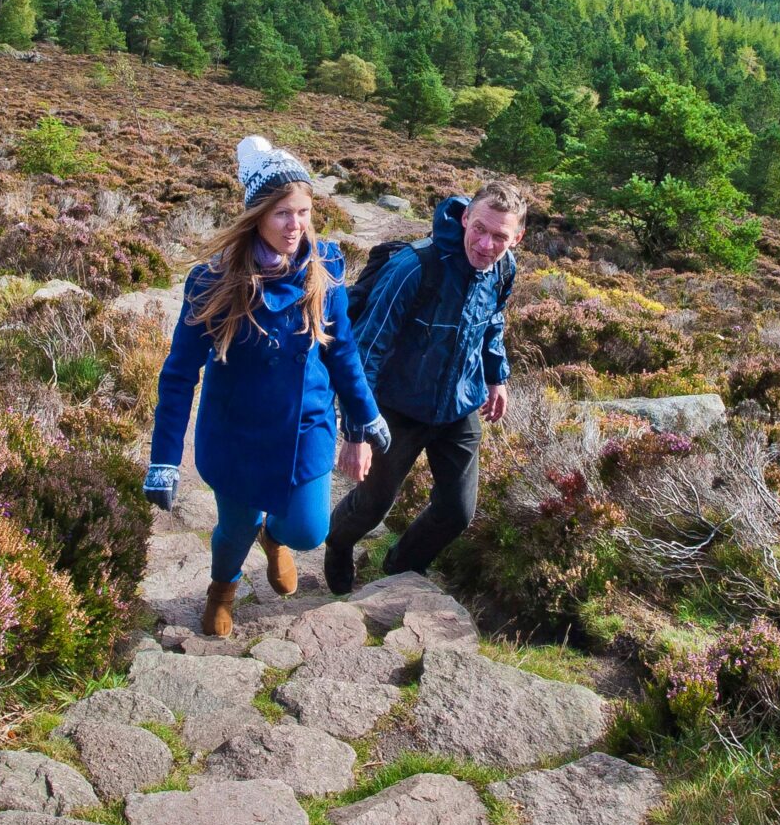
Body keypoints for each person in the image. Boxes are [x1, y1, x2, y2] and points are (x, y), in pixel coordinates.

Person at [147, 137, 390, 638]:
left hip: (308, 424)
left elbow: (342, 351)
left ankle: (273, 535)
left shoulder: (324, 270)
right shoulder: (212, 281)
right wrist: (165, 459)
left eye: (303, 212)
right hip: (238, 428)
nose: (295, 226)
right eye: (282, 213)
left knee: (308, 531)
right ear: (255, 215)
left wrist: (363, 418)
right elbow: (177, 375)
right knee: (233, 527)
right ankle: (223, 588)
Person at [324, 178, 530, 595]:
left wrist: (496, 375)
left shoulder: (504, 268)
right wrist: (357, 431)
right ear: (466, 217)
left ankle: (401, 566)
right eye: (480, 229)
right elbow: (367, 348)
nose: (487, 245)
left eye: (500, 237)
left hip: (459, 404)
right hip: (396, 406)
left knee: (457, 512)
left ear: (518, 238)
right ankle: (338, 543)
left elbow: (492, 321)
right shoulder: (416, 266)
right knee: (372, 505)